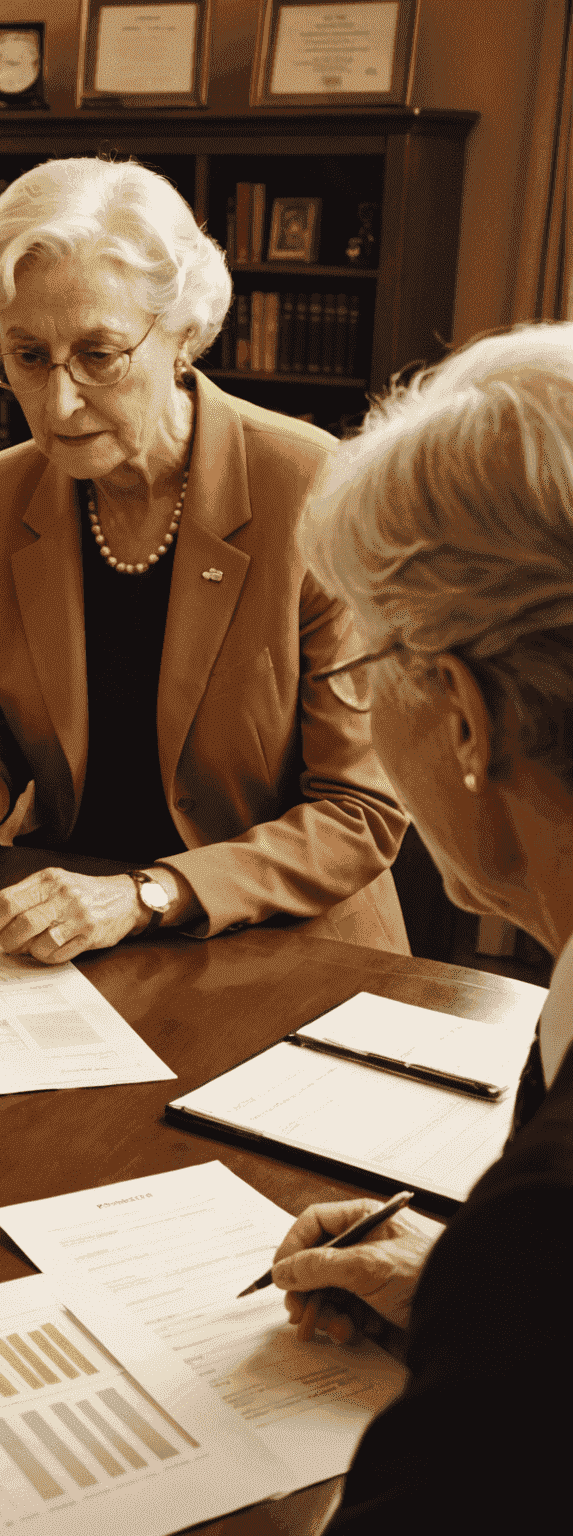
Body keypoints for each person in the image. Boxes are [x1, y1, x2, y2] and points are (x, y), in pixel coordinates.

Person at [0, 157, 408, 962]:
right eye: (28, 357)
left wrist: (147, 894)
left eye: (98, 354)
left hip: (290, 947)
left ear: (183, 334)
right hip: (71, 931)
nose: (59, 403)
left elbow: (358, 811)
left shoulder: (311, 489)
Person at [264, 324, 573, 1529]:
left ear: (464, 714)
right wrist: (461, 1293)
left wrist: (500, 1302)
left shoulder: (541, 1241)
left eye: (370, 664)